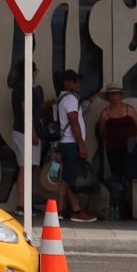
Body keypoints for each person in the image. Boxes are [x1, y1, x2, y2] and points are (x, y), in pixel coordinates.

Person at [52, 69, 97, 222]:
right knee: (74, 178)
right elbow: (74, 122)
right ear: (66, 83)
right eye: (74, 81)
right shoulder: (70, 99)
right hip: (72, 143)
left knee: (66, 178)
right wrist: (82, 145)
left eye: (78, 81)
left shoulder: (61, 98)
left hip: (65, 143)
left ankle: (60, 210)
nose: (78, 84)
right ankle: (76, 211)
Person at [94, 86, 137, 219]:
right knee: (117, 178)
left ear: (121, 96)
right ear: (107, 97)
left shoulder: (129, 110)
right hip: (114, 150)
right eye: (111, 95)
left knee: (131, 176)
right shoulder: (105, 114)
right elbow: (102, 133)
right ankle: (120, 207)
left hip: (130, 150)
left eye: (116, 94)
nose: (114, 97)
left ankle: (134, 207)